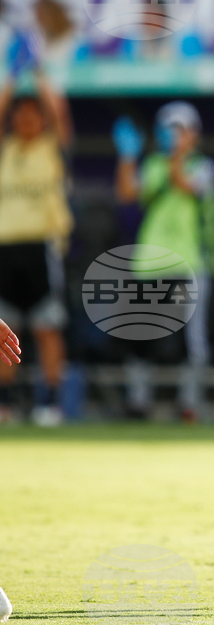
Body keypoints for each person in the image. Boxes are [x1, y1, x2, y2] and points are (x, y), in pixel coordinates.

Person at [114, 101, 214, 422]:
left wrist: (175, 154)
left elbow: (185, 185)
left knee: (193, 342)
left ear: (194, 134)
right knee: (139, 336)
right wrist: (127, 156)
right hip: (149, 265)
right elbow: (126, 194)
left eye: (179, 129)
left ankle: (189, 404)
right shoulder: (152, 165)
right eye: (167, 129)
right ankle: (138, 402)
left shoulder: (204, 166)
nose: (173, 136)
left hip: (188, 265)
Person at [0, 53, 74, 427]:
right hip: (4, 249)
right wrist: (10, 78)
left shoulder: (51, 150)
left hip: (42, 248)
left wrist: (40, 73)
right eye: (20, 114)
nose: (27, 119)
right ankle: (5, 403)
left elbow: (59, 114)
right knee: (3, 327)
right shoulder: (6, 151)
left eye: (33, 114)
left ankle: (51, 402)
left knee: (46, 328)